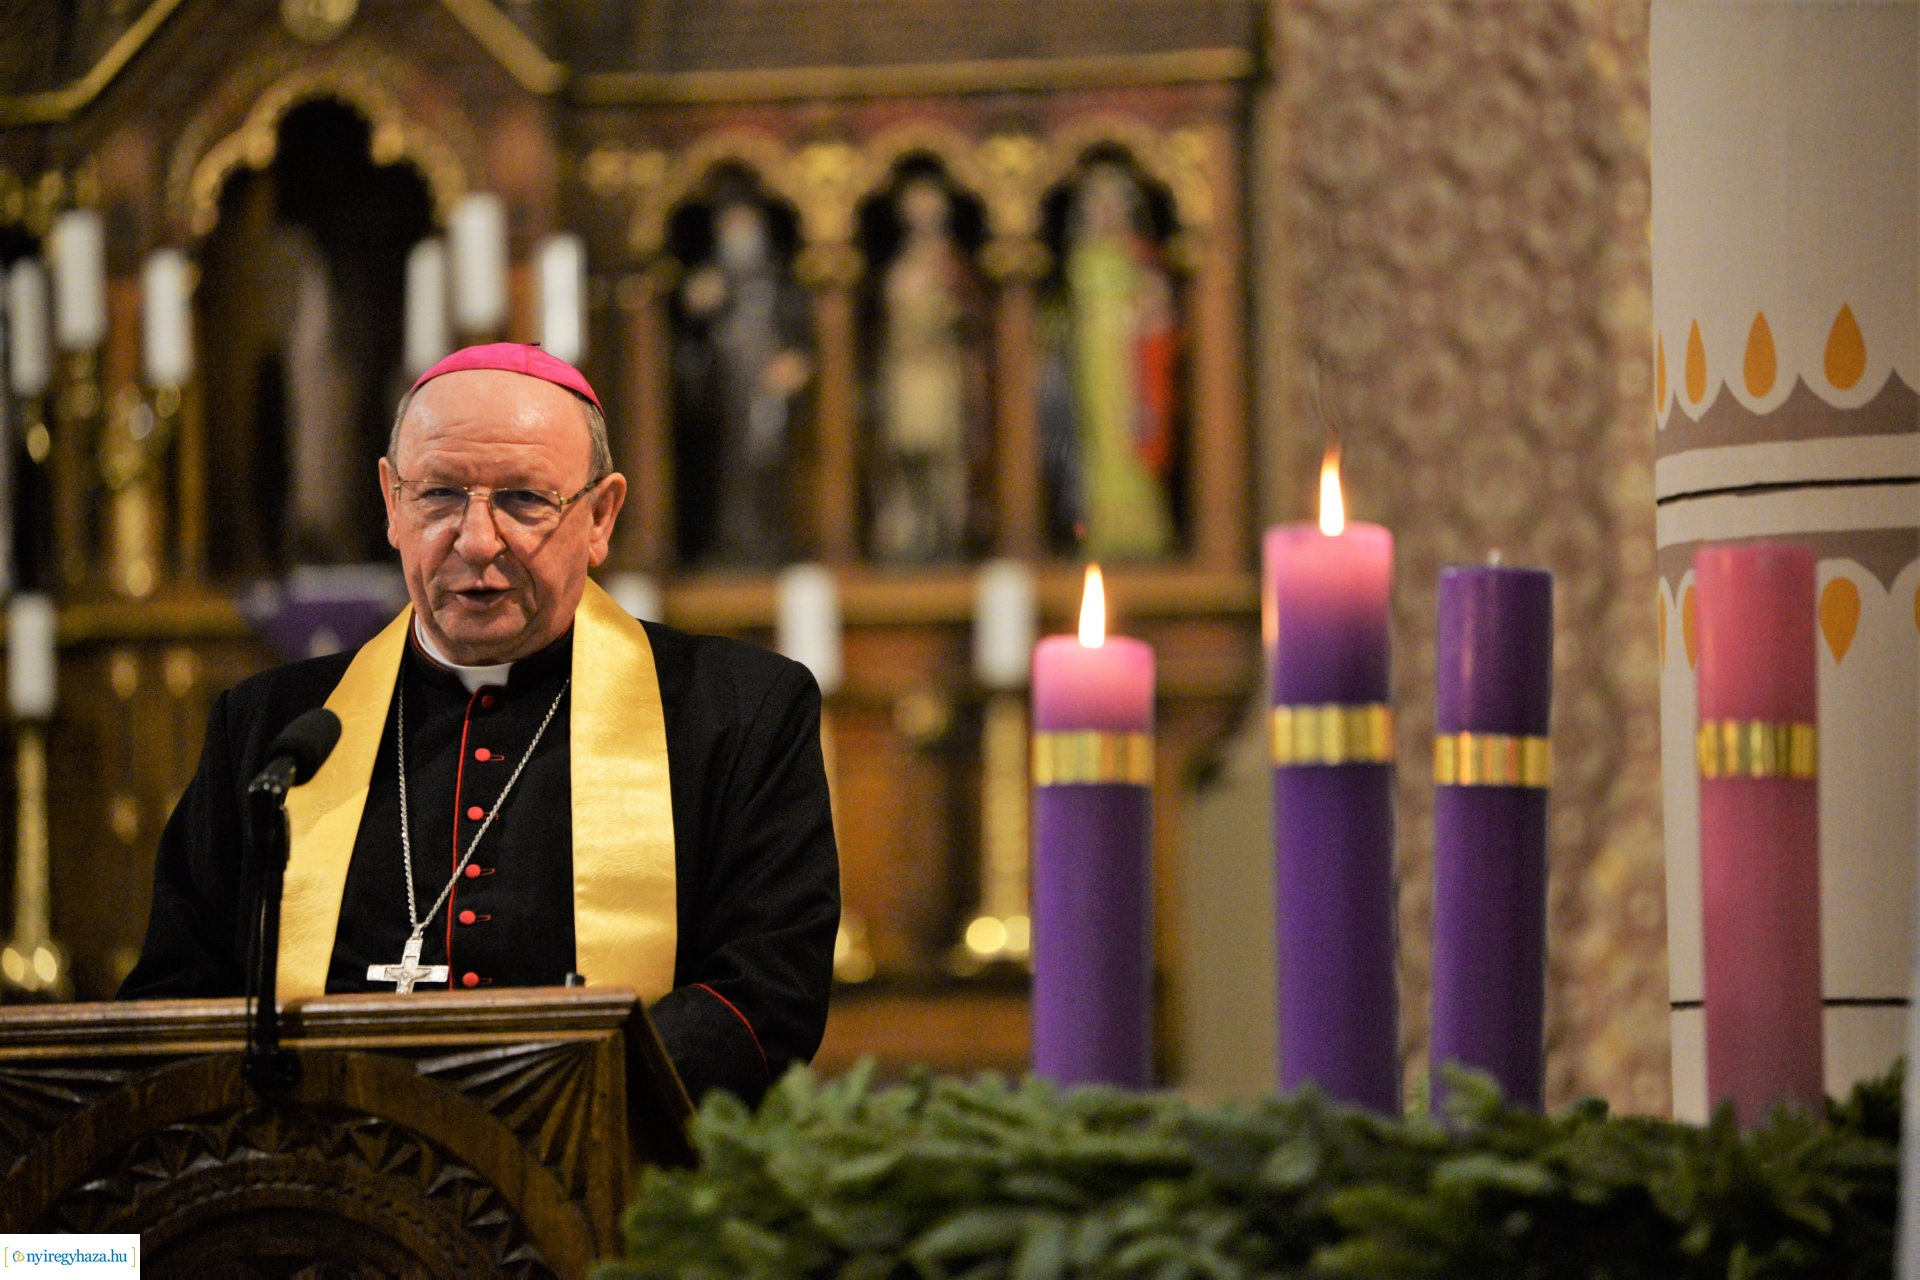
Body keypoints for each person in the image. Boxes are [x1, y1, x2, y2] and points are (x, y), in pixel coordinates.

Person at [121, 342, 839, 1105]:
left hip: (614, 1175)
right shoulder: (276, 728)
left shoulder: (737, 710)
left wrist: (545, 1107)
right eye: (438, 497)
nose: (476, 539)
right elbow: (176, 996)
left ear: (600, 517)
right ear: (392, 504)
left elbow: (766, 995)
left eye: (526, 499)